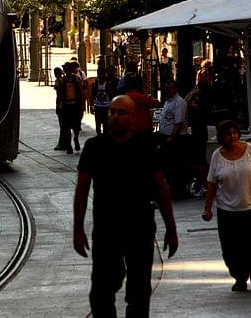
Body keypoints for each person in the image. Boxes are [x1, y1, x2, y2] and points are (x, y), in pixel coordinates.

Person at [74, 95, 178, 318]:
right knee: (101, 291)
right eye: (112, 112)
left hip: (139, 227)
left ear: (133, 117)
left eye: (121, 112)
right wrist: (78, 229)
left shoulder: (146, 146)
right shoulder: (95, 147)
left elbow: (161, 188)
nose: (115, 116)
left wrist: (171, 228)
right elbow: (82, 189)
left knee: (139, 290)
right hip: (105, 228)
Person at [202, 119, 251, 292]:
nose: (232, 136)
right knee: (231, 248)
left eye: (235, 132)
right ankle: (239, 277)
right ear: (222, 137)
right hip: (228, 210)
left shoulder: (250, 150)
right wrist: (207, 208)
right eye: (228, 133)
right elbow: (212, 184)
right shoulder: (217, 156)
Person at [156, 80, 190, 196]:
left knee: (175, 165)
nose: (168, 90)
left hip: (175, 138)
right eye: (167, 88)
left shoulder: (179, 103)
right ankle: (172, 188)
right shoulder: (168, 102)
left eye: (170, 88)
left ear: (175, 89)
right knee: (168, 165)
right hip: (165, 137)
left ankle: (178, 190)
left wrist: (172, 136)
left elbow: (179, 122)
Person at [58, 62, 85, 154]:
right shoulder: (62, 80)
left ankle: (76, 138)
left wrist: (82, 103)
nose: (67, 71)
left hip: (75, 105)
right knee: (66, 127)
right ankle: (69, 146)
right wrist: (59, 105)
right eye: (66, 69)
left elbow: (81, 91)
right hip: (66, 105)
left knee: (76, 126)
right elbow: (60, 94)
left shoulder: (77, 79)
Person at [91, 67, 113, 136]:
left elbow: (111, 94)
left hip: (106, 106)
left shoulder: (108, 83)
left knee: (106, 125)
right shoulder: (95, 83)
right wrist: (92, 105)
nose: (100, 75)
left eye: (101, 74)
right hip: (98, 106)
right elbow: (93, 94)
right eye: (98, 74)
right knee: (98, 125)